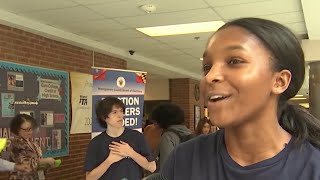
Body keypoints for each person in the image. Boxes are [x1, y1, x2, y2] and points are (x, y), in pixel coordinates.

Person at [160, 18, 320, 180]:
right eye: (207, 67)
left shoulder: (313, 167)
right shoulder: (185, 158)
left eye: (234, 61)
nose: (210, 77)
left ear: (279, 81)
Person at [84, 96, 156, 180]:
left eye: (121, 111)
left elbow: (152, 167)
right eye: (114, 112)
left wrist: (131, 153)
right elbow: (89, 178)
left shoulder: (137, 137)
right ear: (104, 117)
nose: (120, 115)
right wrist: (109, 161)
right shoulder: (96, 143)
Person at [9, 114, 55, 179]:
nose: (30, 132)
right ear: (18, 130)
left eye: (30, 129)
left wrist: (47, 165)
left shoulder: (34, 143)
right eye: (27, 129)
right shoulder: (16, 145)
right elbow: (26, 165)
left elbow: (38, 162)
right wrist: (45, 161)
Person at [151, 102, 192, 171]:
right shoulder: (188, 132)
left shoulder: (168, 137)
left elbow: (166, 168)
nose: (154, 125)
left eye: (156, 121)